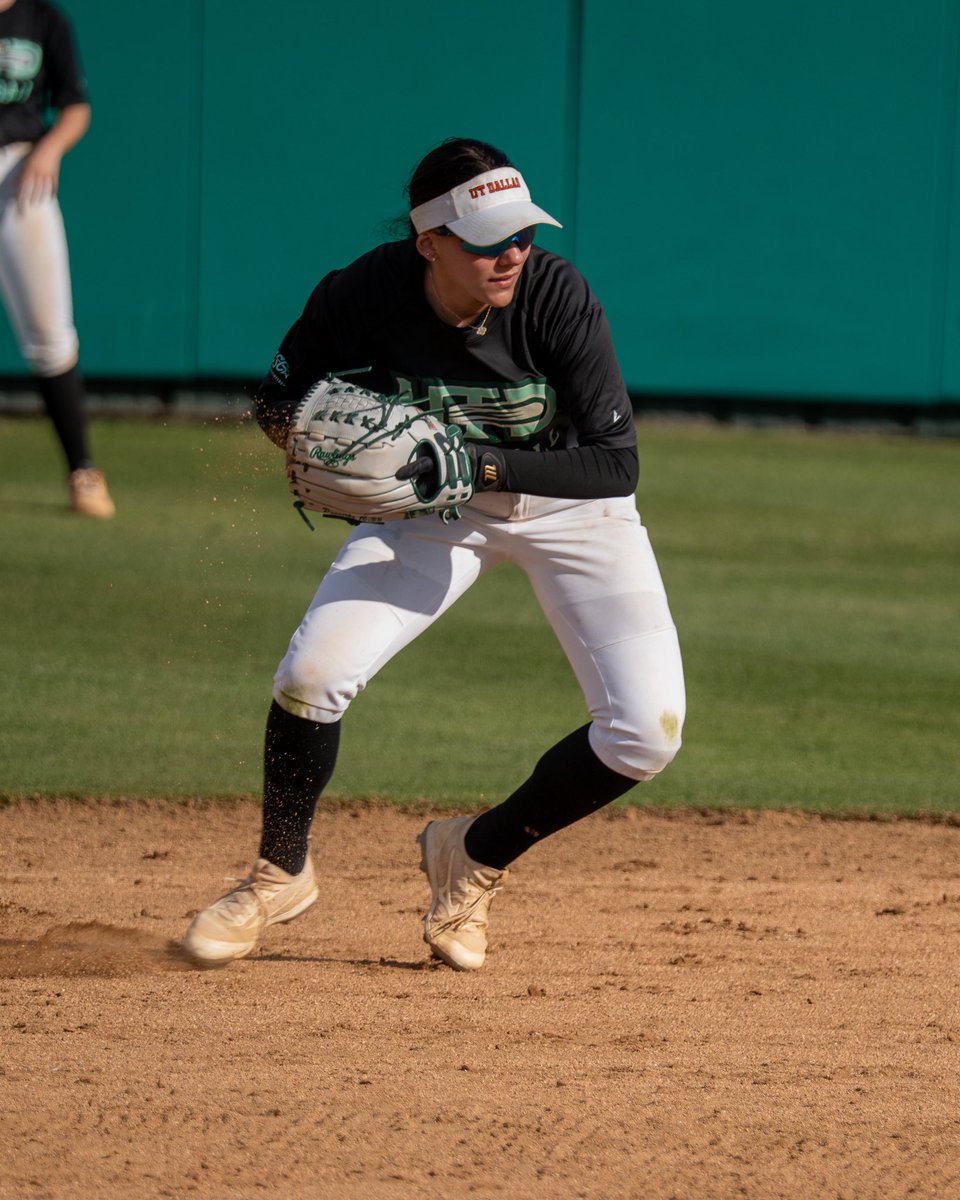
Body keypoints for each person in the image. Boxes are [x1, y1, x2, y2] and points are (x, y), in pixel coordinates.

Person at [182, 137, 686, 972]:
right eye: (488, 240)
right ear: (429, 243)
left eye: (523, 233)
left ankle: (473, 854)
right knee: (311, 677)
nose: (512, 253)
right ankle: (280, 873)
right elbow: (278, 401)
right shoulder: (364, 293)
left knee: (646, 735)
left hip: (572, 505)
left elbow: (615, 463)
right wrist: (324, 443)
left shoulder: (555, 295)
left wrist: (476, 463)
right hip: (431, 504)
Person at [0, 0, 113, 518]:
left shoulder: (43, 18)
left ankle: (83, 471)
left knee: (49, 334)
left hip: (19, 174)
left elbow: (75, 105)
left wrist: (48, 148)